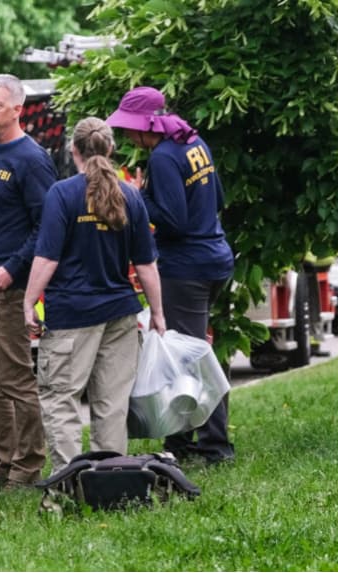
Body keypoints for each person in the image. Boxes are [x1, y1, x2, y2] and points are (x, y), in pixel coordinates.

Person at [22, 118, 165, 474]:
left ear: (74, 151)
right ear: (111, 149)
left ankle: (71, 480)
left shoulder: (63, 194)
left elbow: (47, 258)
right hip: (120, 314)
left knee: (61, 399)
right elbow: (146, 265)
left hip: (72, 316)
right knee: (111, 403)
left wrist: (29, 301)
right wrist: (159, 314)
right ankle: (112, 478)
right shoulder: (130, 195)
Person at [106, 86, 236, 465]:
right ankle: (184, 440)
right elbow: (220, 199)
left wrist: (135, 195)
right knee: (193, 351)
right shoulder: (194, 142)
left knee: (192, 357)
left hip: (186, 268)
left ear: (149, 125)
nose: (128, 136)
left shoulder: (163, 157)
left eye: (131, 128)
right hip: (215, 258)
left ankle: (214, 447)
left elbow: (173, 221)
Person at [0, 73, 56, 490]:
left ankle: (29, 465)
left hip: (11, 288)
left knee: (16, 379)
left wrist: (12, 268)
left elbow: (46, 225)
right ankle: (5, 461)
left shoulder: (32, 159)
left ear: (17, 110)